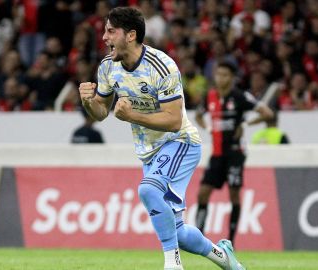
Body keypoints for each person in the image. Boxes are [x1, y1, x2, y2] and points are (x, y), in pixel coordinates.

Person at [78, 7, 246, 270]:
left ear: (131, 35)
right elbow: (100, 112)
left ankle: (172, 264)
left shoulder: (162, 66)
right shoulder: (107, 67)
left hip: (180, 142)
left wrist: (132, 115)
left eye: (111, 31)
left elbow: (173, 120)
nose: (104, 37)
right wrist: (89, 102)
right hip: (149, 152)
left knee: (148, 189)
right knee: (177, 232)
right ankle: (224, 256)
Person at [195, 62, 274, 247]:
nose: (221, 78)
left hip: (235, 153)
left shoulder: (240, 96)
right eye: (218, 74)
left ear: (232, 78)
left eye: (225, 75)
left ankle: (231, 240)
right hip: (217, 154)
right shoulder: (210, 96)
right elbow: (198, 115)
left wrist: (245, 125)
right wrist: (207, 127)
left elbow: (267, 113)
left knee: (234, 195)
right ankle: (198, 236)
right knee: (203, 193)